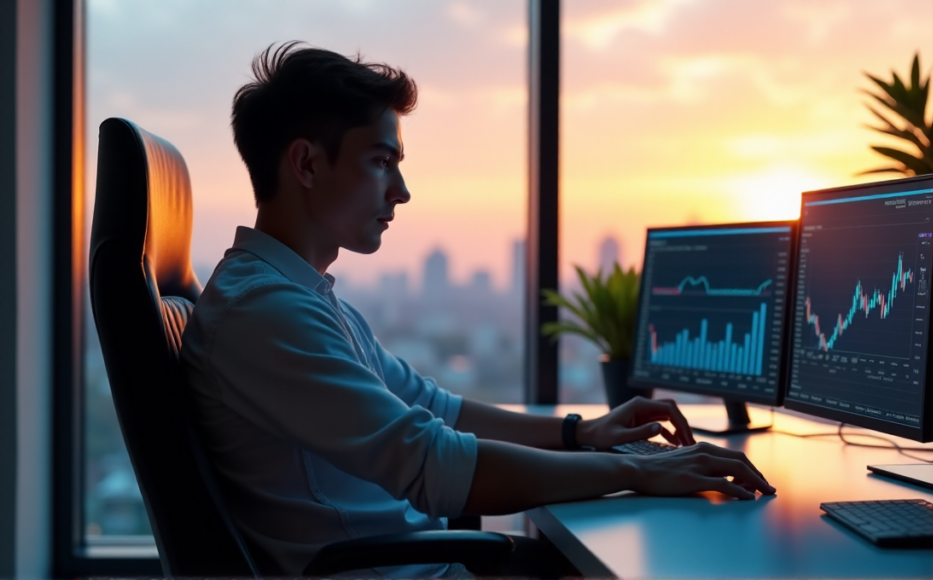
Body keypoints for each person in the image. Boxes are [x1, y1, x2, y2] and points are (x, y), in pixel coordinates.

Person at [180, 42, 776, 579]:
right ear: (307, 164)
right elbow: (435, 466)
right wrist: (637, 472)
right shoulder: (266, 313)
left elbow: (436, 408)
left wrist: (582, 433)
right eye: (381, 161)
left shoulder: (301, 297)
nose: (401, 191)